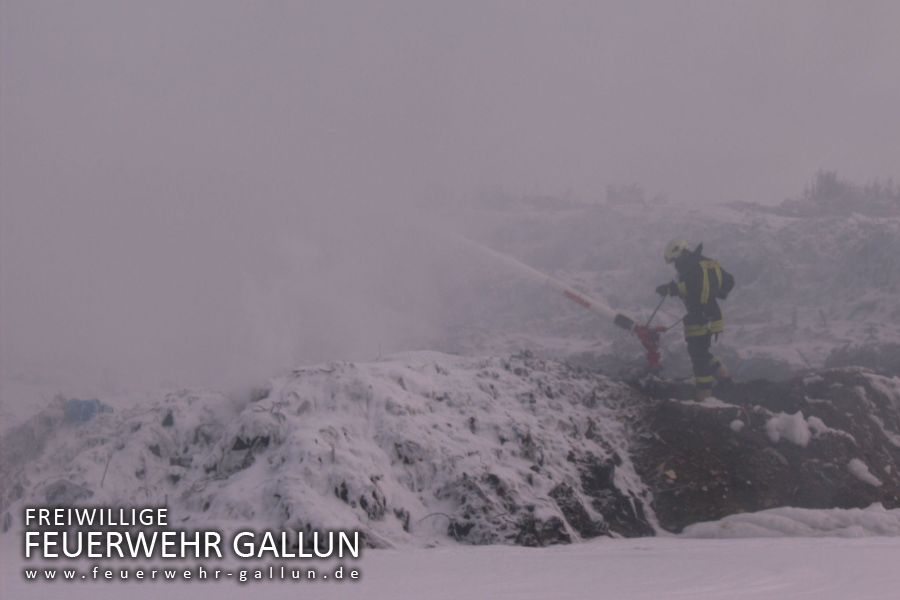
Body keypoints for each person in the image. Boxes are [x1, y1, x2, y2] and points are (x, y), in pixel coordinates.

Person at [656, 240, 734, 400]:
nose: (674, 264)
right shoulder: (697, 264)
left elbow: (695, 290)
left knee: (698, 354)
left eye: (675, 260)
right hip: (706, 314)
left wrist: (672, 289)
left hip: (702, 316)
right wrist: (670, 287)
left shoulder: (695, 268)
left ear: (681, 254)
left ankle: (704, 393)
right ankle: (723, 375)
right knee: (699, 351)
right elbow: (688, 284)